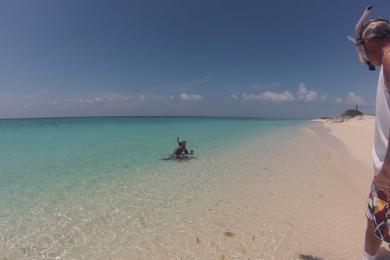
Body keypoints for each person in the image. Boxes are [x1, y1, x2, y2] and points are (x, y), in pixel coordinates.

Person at [350, 6, 390, 260]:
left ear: (367, 43)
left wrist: (386, 169)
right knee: (376, 222)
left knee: (373, 222)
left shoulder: (388, 58)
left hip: (388, 169)